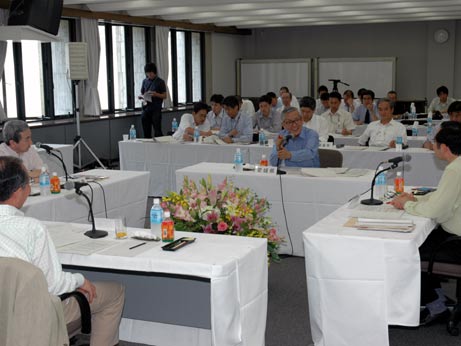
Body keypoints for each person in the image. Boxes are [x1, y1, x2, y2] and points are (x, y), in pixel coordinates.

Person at [0, 156, 125, 345]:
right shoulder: (31, 229)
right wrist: (80, 280)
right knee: (114, 293)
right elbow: (53, 285)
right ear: (18, 191)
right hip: (31, 320)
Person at [390, 126, 461, 325]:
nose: (432, 147)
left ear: (444, 147)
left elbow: (436, 211)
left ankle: (436, 306)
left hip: (456, 242)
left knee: (405, 251)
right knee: (424, 239)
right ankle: (437, 295)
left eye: (435, 144)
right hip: (454, 234)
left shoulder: (455, 169)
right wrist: (417, 199)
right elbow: (443, 197)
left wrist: (407, 204)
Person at [139, 62, 167, 138]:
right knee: (146, 132)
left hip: (156, 109)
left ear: (154, 72)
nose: (149, 75)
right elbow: (142, 93)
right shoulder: (145, 81)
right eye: (147, 73)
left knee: (157, 131)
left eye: (151, 73)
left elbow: (164, 96)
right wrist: (141, 97)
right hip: (146, 108)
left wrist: (156, 94)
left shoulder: (160, 82)